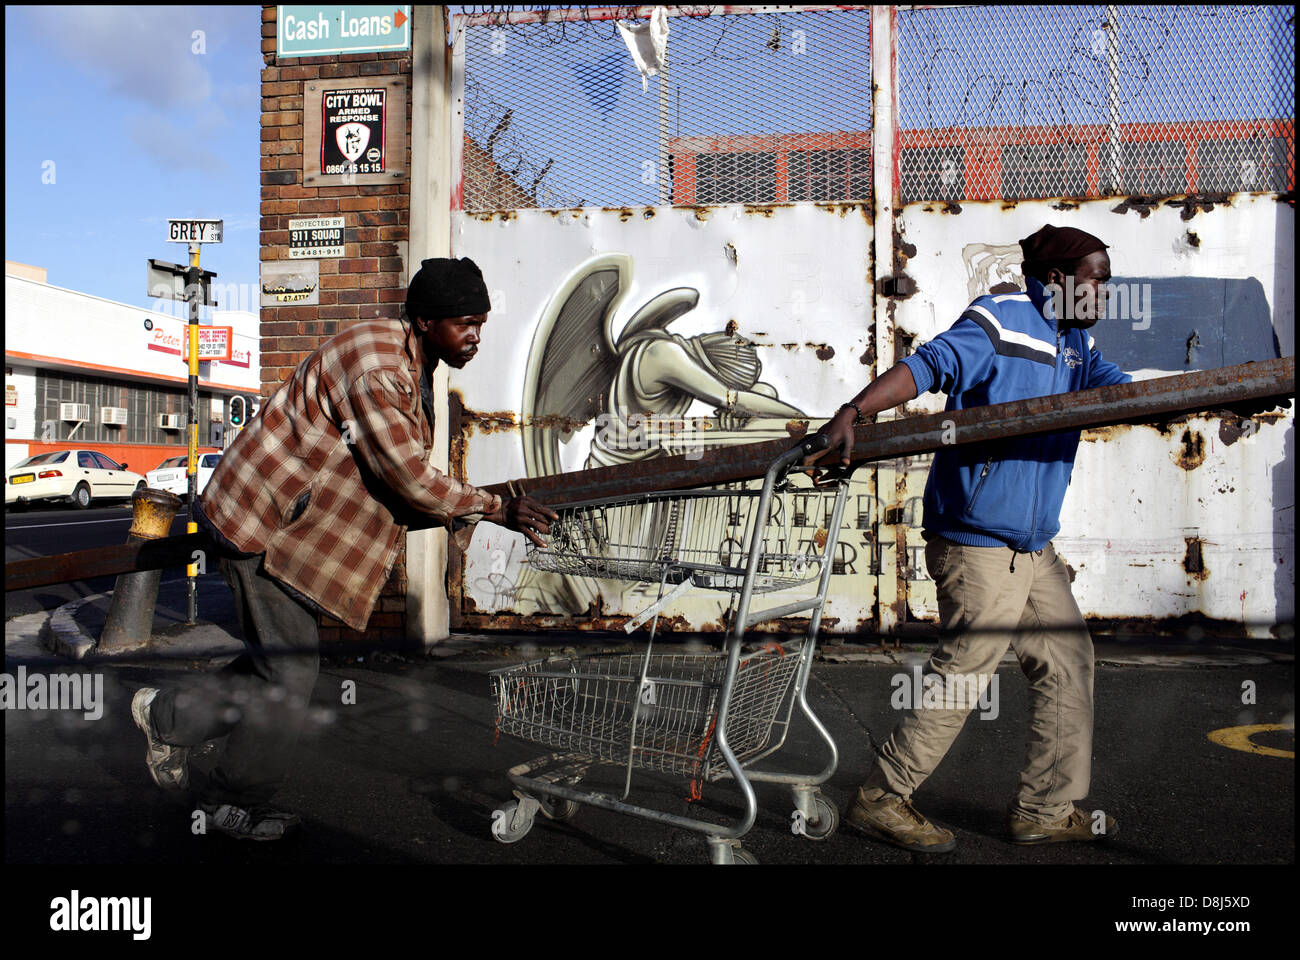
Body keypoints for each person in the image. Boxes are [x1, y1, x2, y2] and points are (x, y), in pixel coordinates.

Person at [130, 257, 557, 841]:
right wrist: (492, 506)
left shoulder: (410, 355)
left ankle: (166, 716)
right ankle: (233, 802)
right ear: (427, 321)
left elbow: (391, 471)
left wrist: (464, 508)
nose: (476, 337)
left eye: (481, 322)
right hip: (262, 523)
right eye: (465, 324)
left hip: (285, 528)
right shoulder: (380, 367)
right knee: (290, 671)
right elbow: (404, 474)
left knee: (273, 663)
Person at [811, 225, 1129, 852]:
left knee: (1067, 661)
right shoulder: (1001, 318)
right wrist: (855, 409)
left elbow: (1117, 387)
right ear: (1061, 278)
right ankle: (881, 797)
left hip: (1032, 546)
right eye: (1097, 279)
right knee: (966, 670)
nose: (1106, 292)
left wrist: (1199, 394)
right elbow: (929, 365)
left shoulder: (1075, 343)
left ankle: (1045, 808)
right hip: (979, 541)